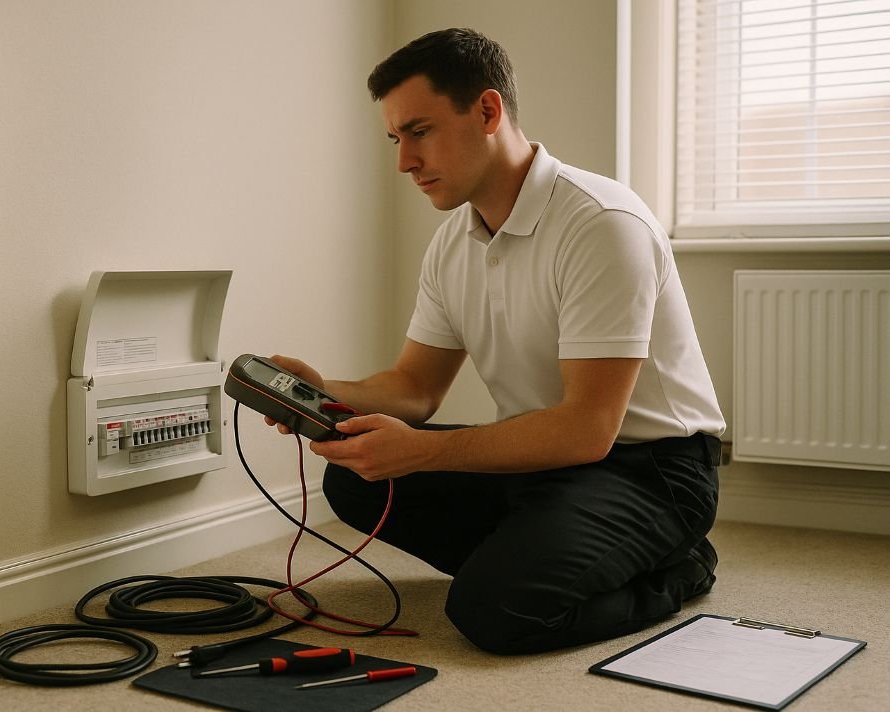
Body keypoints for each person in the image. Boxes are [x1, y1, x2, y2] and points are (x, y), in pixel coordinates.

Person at [267, 28, 726, 654]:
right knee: (356, 475)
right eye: (395, 138)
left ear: (487, 111)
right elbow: (416, 388)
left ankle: (678, 565)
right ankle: (546, 547)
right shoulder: (455, 242)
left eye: (420, 132)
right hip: (549, 462)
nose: (404, 161)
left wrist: (424, 455)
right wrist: (320, 392)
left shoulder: (602, 224)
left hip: (652, 470)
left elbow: (588, 429)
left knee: (494, 611)